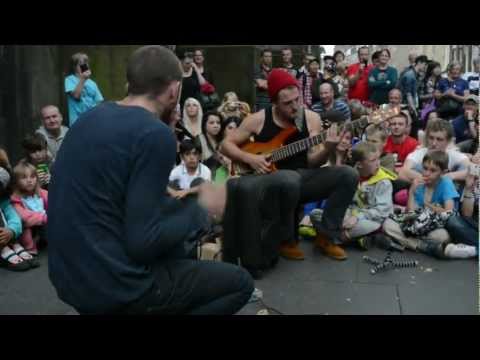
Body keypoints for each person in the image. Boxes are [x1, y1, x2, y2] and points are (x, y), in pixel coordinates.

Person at [48, 45, 254, 315]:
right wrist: (204, 209)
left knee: (178, 241)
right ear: (173, 90)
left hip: (69, 277)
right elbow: (143, 241)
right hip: (113, 285)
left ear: (130, 83)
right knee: (240, 284)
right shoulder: (153, 134)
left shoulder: (90, 118)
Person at [221, 69, 359, 261]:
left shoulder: (311, 118)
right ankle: (286, 240)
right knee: (290, 179)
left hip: (302, 177)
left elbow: (312, 162)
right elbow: (225, 145)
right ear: (275, 103)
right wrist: (251, 159)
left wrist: (328, 149)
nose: (295, 107)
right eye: (287, 103)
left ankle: (326, 237)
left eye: (298, 99)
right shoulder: (258, 119)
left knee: (348, 175)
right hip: (270, 184)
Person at [384, 151, 458, 256]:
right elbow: (411, 213)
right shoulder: (418, 183)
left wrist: (427, 205)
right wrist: (412, 192)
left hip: (433, 226)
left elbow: (448, 211)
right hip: (417, 224)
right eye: (425, 168)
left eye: (433, 170)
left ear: (443, 172)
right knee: (388, 224)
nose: (427, 173)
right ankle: (421, 246)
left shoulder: (445, 183)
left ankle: (405, 241)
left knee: (442, 237)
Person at [339, 142, 395, 247]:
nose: (378, 163)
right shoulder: (350, 176)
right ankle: (359, 238)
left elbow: (382, 212)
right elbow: (343, 201)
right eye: (373, 161)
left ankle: (341, 238)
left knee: (367, 226)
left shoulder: (383, 182)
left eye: (378, 159)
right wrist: (347, 216)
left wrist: (358, 217)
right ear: (359, 164)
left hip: (372, 219)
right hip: (351, 214)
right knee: (319, 214)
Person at [399, 119, 469, 184]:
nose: (434, 143)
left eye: (439, 139)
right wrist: (424, 178)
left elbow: (474, 169)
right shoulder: (418, 154)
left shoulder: (453, 154)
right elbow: (404, 171)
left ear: (448, 141)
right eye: (431, 138)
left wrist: (450, 176)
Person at [10, 161, 48, 258]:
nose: (29, 180)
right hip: (29, 226)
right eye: (24, 178)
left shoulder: (41, 193)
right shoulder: (16, 199)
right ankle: (30, 248)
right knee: (25, 227)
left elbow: (53, 203)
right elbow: (24, 216)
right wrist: (45, 217)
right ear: (16, 181)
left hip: (43, 224)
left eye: (32, 177)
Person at [0, 166, 34, 271]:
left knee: (10, 213)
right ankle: (3, 249)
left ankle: (13, 244)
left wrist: (11, 230)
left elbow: (13, 216)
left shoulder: (3, 200)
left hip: (7, 235)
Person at [444, 157, 479, 258]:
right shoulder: (475, 177)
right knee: (452, 220)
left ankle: (474, 251)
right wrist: (469, 188)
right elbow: (467, 214)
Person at [65, 52, 104, 127]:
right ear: (74, 66)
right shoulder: (69, 79)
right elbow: (76, 96)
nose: (84, 66)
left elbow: (99, 102)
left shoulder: (92, 83)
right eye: (81, 64)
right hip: (76, 122)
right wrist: (83, 79)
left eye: (86, 63)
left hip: (92, 121)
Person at [399, 55, 429, 119]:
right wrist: (414, 110)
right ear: (419, 63)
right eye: (425, 64)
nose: (425, 67)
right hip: (406, 106)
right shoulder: (410, 75)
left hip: (409, 106)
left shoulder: (415, 75)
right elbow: (408, 94)